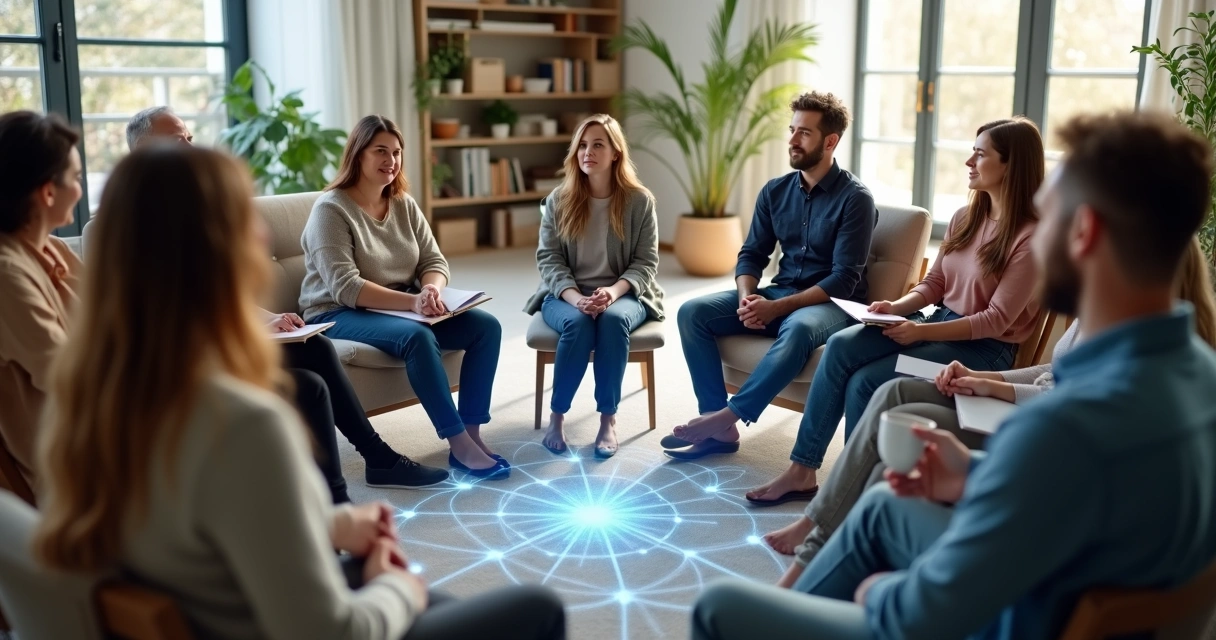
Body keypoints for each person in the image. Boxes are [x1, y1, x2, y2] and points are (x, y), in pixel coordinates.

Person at [689, 111, 1216, 640]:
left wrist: (875, 592)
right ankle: (803, 569)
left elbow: (919, 613)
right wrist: (978, 473)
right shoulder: (1202, 374)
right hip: (1068, 575)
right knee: (881, 505)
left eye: (1049, 215)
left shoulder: (1061, 430)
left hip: (1007, 619)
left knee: (718, 606)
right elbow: (1078, 493)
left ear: (1084, 233)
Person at [31, 144, 567, 640]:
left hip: (226, 607)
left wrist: (335, 524)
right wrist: (397, 587)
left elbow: (207, 533)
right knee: (538, 607)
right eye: (245, 220)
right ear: (222, 251)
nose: (263, 237)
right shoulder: (244, 425)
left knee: (435, 598)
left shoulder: (84, 401)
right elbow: (332, 632)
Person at [761, 235, 1216, 584]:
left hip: (1009, 388)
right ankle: (820, 515)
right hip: (991, 374)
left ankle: (817, 548)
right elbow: (1054, 374)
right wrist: (988, 382)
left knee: (884, 412)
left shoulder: (1129, 352)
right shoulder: (1109, 312)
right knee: (883, 390)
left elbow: (1067, 399)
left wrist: (995, 390)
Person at [116, 107, 449, 497]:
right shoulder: (139, 221)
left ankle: (348, 488)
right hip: (186, 352)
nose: (191, 147)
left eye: (190, 137)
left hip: (223, 337)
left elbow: (215, 293)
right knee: (309, 381)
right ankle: (361, 476)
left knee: (315, 354)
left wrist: (269, 317)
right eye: (178, 141)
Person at [742, 117, 1045, 506]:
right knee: (842, 346)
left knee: (865, 381)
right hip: (938, 326)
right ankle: (803, 470)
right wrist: (896, 308)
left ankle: (855, 490)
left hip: (983, 350)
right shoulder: (964, 218)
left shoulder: (1031, 237)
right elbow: (934, 283)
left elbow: (995, 320)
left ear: (1011, 165)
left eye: (981, 154)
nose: (969, 161)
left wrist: (919, 332)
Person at [664, 92, 876, 460]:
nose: (792, 140)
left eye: (804, 133)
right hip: (780, 292)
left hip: (833, 303)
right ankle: (719, 424)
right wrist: (749, 296)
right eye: (792, 130)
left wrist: (776, 309)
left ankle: (727, 416)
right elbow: (751, 255)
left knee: (799, 328)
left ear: (830, 142)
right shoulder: (775, 191)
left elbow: (844, 279)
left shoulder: (855, 199)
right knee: (692, 312)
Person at [300, 115, 508, 478]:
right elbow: (346, 287)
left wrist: (430, 288)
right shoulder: (330, 210)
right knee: (417, 336)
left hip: (402, 307)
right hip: (336, 312)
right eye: (380, 151)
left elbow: (434, 261)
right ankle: (457, 442)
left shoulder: (403, 204)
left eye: (396, 152)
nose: (391, 160)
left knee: (485, 327)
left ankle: (472, 435)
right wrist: (413, 303)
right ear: (357, 155)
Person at [524, 114, 662, 458]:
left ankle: (608, 419)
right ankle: (557, 417)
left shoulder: (639, 201)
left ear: (616, 152)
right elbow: (549, 260)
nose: (588, 152)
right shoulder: (560, 199)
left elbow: (646, 262)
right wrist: (575, 298)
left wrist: (612, 293)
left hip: (624, 293)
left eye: (598, 144)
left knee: (613, 320)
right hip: (566, 294)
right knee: (578, 322)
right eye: (582, 145)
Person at [0, 111, 83, 492]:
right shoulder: (8, 276)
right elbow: (69, 377)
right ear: (48, 192)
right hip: (73, 466)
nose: (81, 190)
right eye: (77, 179)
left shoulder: (53, 249)